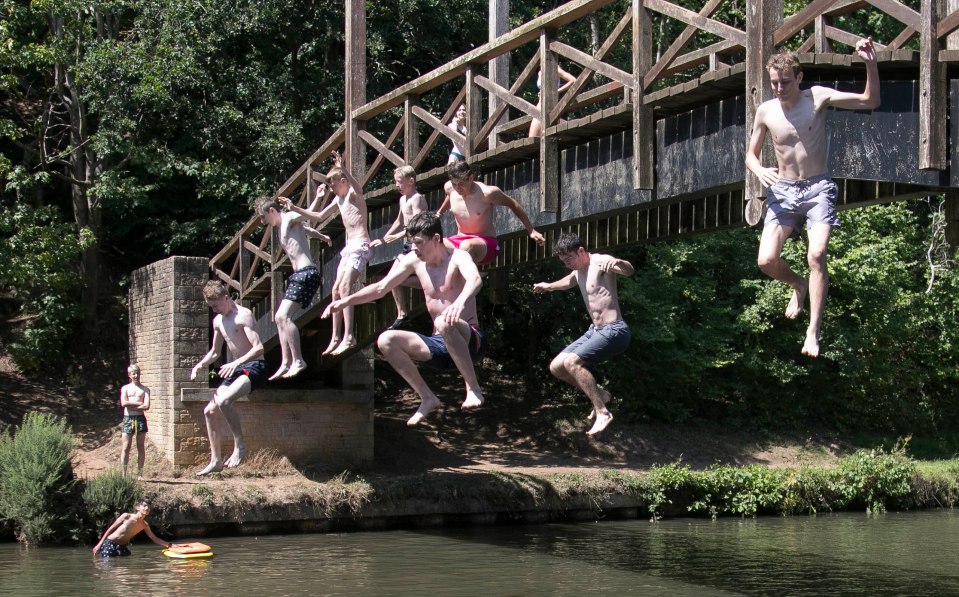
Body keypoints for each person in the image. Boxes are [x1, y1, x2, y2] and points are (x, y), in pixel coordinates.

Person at [745, 37, 879, 358]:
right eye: (774, 83)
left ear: (799, 77)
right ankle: (798, 285)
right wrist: (758, 169)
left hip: (818, 188)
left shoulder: (817, 97)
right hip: (784, 191)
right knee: (765, 261)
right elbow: (750, 154)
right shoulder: (766, 111)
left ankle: (813, 331)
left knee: (816, 256)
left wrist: (870, 63)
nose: (779, 88)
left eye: (785, 82)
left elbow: (869, 100)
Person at [322, 212, 486, 426]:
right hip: (440, 344)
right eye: (411, 243)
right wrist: (345, 302)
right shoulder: (414, 262)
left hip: (470, 339)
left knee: (444, 321)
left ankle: (473, 389)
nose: (414, 248)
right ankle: (427, 398)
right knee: (386, 340)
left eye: (418, 242)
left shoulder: (458, 257)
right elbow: (381, 288)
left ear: (436, 239)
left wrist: (460, 302)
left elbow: (475, 280)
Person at [533, 233, 634, 436]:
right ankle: (601, 395)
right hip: (595, 330)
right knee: (557, 367)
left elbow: (628, 270)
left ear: (581, 251)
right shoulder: (579, 271)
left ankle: (602, 412)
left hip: (615, 330)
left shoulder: (599, 261)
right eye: (563, 261)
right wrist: (548, 286)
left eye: (568, 258)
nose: (567, 264)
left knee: (572, 362)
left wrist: (620, 264)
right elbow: (569, 281)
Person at [280, 150, 371, 356]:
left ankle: (349, 335)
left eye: (333, 184)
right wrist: (295, 208)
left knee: (346, 287)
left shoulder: (353, 195)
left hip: (361, 245)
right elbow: (319, 216)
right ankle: (336, 336)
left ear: (342, 181)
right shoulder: (339, 201)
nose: (331, 188)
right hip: (348, 248)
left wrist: (343, 168)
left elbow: (357, 186)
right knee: (336, 290)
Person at [190, 280, 266, 476]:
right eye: (211, 306)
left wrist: (235, 362)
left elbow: (259, 348)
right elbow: (215, 352)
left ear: (226, 297)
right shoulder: (218, 321)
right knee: (209, 410)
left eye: (215, 305)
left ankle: (240, 445)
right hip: (237, 369)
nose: (214, 310)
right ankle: (216, 461)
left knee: (224, 401)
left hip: (254, 366)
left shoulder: (243, 316)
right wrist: (200, 364)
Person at [255, 192, 332, 380]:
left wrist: (318, 197)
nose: (264, 222)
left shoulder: (288, 217)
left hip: (306, 274)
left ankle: (298, 360)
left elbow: (306, 214)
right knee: (279, 318)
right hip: (301, 275)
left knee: (282, 316)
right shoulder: (286, 226)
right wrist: (322, 236)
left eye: (264, 217)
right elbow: (307, 230)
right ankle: (286, 362)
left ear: (272, 210)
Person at [436, 161, 545, 266]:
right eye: (454, 184)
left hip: (486, 243)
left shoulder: (487, 193)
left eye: (461, 184)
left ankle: (472, 281)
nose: (458, 188)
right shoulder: (450, 189)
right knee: (435, 245)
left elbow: (513, 203)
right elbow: (450, 196)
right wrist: (439, 213)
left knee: (466, 247)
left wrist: (531, 230)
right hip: (460, 239)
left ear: (471, 178)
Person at [369, 165, 429, 330]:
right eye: (395, 182)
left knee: (395, 278)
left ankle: (429, 284)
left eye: (399, 182)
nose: (396, 185)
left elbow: (417, 224)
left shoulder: (417, 198)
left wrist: (397, 236)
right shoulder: (403, 199)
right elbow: (399, 221)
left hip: (419, 244)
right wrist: (383, 238)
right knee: (393, 278)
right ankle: (402, 314)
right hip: (407, 245)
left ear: (411, 181)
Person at [92, 499, 171, 557]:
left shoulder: (145, 525)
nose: (147, 508)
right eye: (144, 506)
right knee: (107, 566)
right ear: (137, 507)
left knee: (126, 562)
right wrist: (99, 544)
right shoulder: (126, 516)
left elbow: (154, 538)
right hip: (110, 543)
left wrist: (169, 544)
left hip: (122, 546)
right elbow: (111, 529)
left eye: (148, 507)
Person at [119, 364, 150, 478]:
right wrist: (138, 403)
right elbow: (124, 403)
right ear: (129, 375)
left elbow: (146, 406)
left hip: (140, 418)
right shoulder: (125, 388)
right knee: (126, 447)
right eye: (133, 373)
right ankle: (123, 474)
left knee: (140, 446)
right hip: (128, 418)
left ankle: (139, 474)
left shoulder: (145, 389)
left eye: (137, 373)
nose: (136, 375)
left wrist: (133, 405)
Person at [528, 66, 577, 137]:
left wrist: (556, 91)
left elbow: (573, 80)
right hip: (540, 105)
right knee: (534, 136)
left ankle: (573, 126)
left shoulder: (554, 67)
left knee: (533, 136)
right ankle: (571, 125)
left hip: (549, 104)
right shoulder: (540, 71)